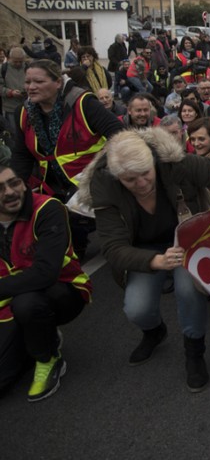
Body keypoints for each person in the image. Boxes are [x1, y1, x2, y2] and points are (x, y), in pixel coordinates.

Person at [76, 127, 210, 392]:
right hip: (144, 249)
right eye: (131, 180)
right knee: (136, 308)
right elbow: (112, 246)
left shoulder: (173, 162)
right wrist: (155, 261)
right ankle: (154, 331)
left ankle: (194, 351)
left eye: (145, 174)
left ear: (154, 161)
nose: (141, 184)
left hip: (186, 239)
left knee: (189, 292)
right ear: (117, 177)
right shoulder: (104, 182)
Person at [11, 60, 124, 258]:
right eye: (27, 82)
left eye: (38, 81)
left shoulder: (84, 103)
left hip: (89, 176)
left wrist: (101, 168)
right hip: (49, 182)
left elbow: (120, 134)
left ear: (57, 83)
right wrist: (14, 187)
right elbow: (21, 156)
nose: (31, 87)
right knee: (35, 213)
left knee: (72, 218)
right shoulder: (23, 112)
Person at [0, 160, 92, 402]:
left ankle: (48, 358)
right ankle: (35, 338)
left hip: (61, 292)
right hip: (7, 303)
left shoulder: (46, 209)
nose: (9, 192)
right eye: (0, 188)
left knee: (27, 303)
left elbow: (45, 273)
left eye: (14, 183)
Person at [0, 47, 26, 133]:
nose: (18, 64)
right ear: (10, 58)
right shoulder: (3, 69)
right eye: (15, 61)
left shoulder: (28, 67)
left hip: (26, 106)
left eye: (20, 61)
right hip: (10, 108)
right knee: (14, 133)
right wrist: (10, 92)